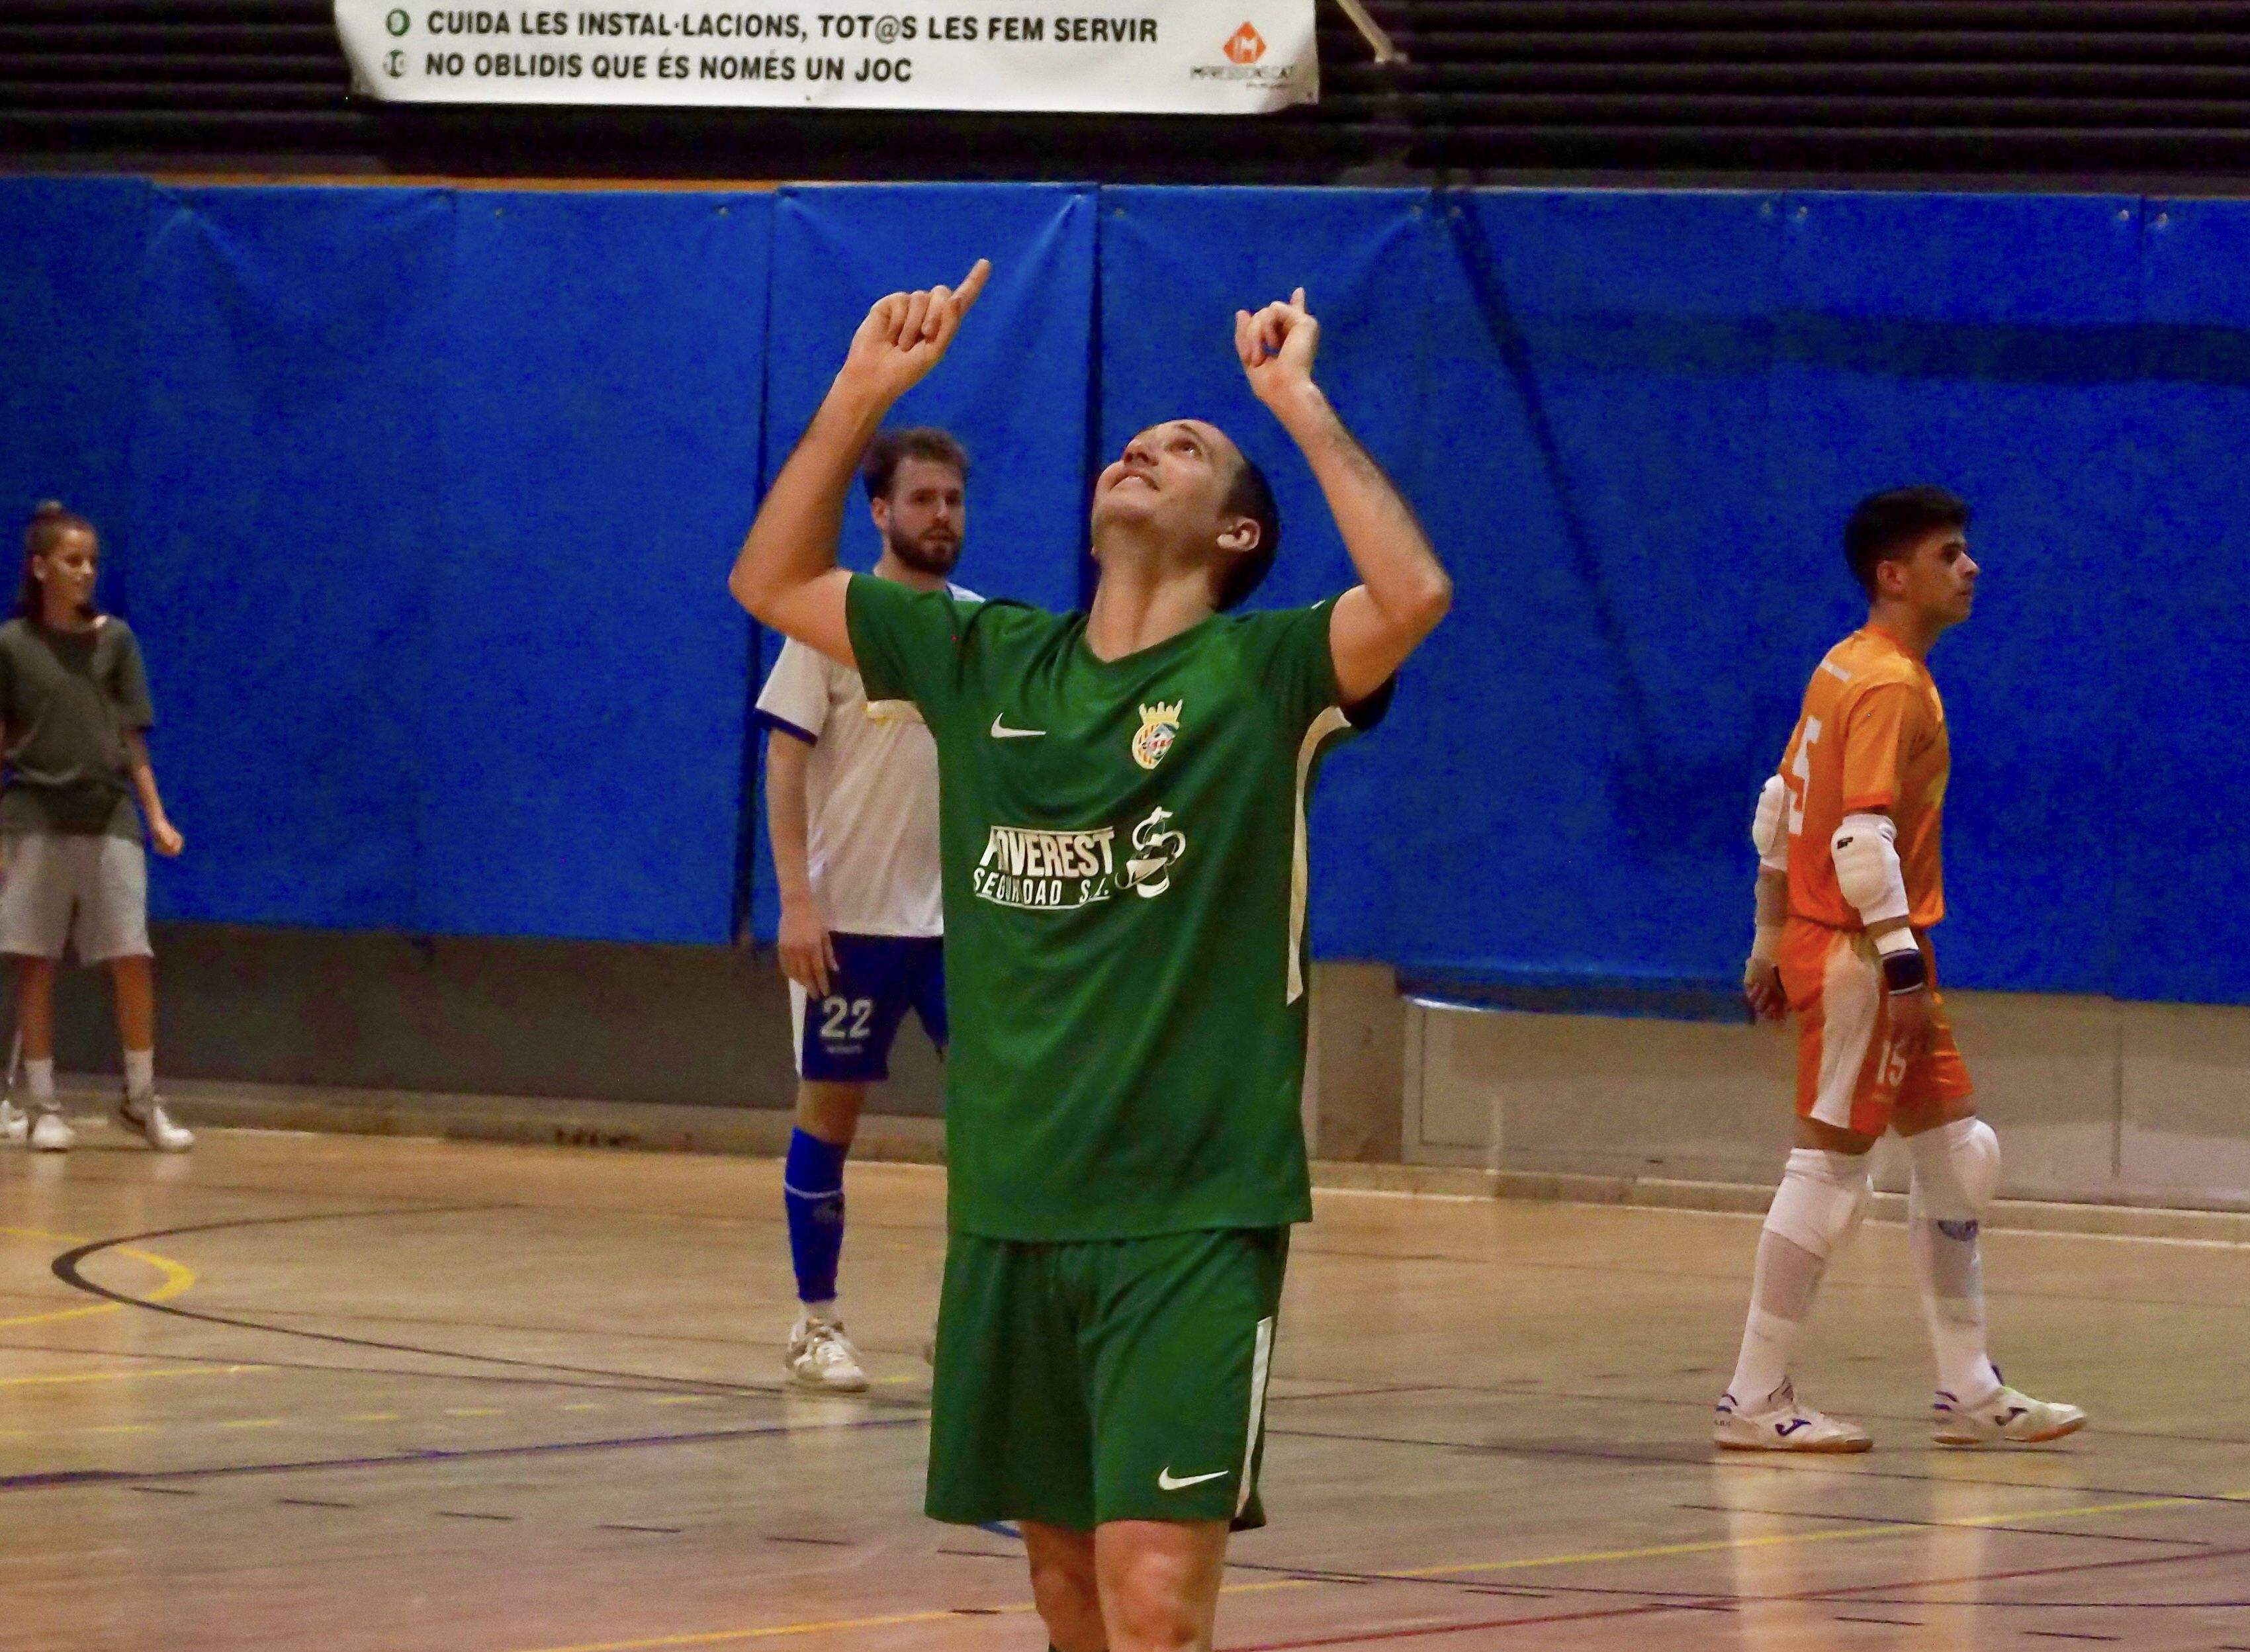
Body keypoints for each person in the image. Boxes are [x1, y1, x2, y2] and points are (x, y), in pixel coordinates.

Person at [729, 263, 1447, 1652]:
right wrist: (860, 392)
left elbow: (1410, 591)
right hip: (1009, 1209)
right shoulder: (984, 654)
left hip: (1189, 1217)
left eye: (1181, 449)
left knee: (1154, 1607)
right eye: (1133, 441)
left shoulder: (1266, 672)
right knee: (1065, 1600)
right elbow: (768, 577)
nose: (1139, 448)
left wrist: (1293, 401)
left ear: (1235, 530)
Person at [1719, 485, 2084, 1452]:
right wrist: (1902, 970)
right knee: (1832, 1172)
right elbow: (1860, 840)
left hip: (1859, 948)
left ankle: (1968, 1388)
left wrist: (1763, 941)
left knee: (1960, 1160)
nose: (1971, 569)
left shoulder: (1844, 666)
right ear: (1896, 575)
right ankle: (1754, 1400)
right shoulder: (1889, 684)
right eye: (1951, 554)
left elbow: (1775, 807)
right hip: (1862, 956)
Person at [754, 427, 976, 1393]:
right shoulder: (835, 619)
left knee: (1000, 1125)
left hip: (962, 930)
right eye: (922, 500)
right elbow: (785, 757)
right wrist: (798, 901)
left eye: (953, 501)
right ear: (881, 512)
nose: (941, 517)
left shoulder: (980, 625)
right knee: (830, 1117)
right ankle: (817, 1323)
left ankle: (973, 1327)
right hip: (849, 925)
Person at [0, 502, 191, 1154]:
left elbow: (132, 737)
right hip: (33, 817)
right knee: (37, 961)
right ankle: (43, 1104)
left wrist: (157, 815)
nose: (85, 572)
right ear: (40, 566)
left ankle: (140, 1098)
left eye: (91, 562)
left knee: (131, 956)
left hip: (108, 814)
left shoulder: (116, 642)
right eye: (72, 561)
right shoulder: (12, 646)